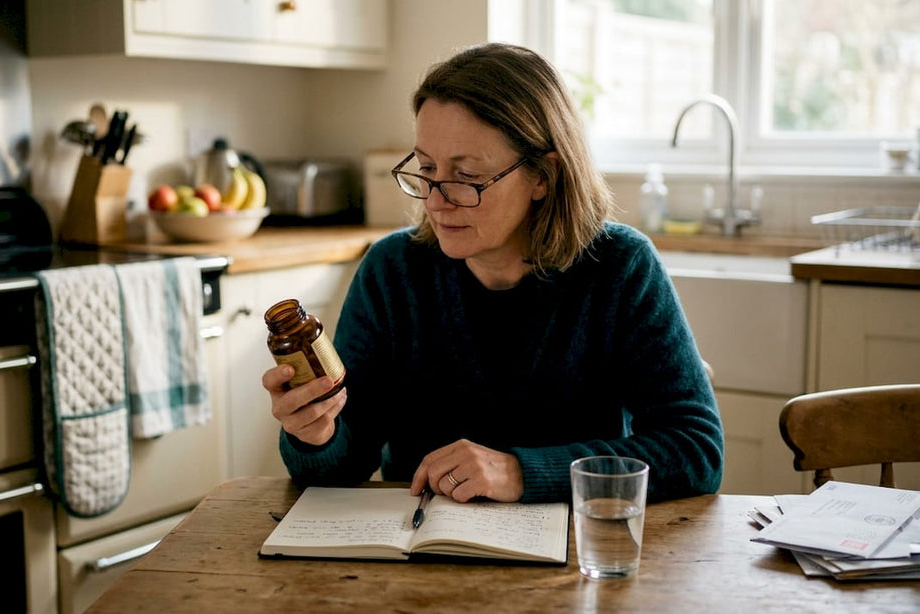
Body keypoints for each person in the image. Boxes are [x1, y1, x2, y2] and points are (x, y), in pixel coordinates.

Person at [262, 42, 723, 504]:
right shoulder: (392, 271)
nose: (436, 200)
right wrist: (312, 435)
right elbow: (345, 461)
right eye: (426, 168)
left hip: (574, 557)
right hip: (416, 549)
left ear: (542, 175)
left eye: (465, 177)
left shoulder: (621, 267)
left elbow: (696, 451)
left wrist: (522, 472)